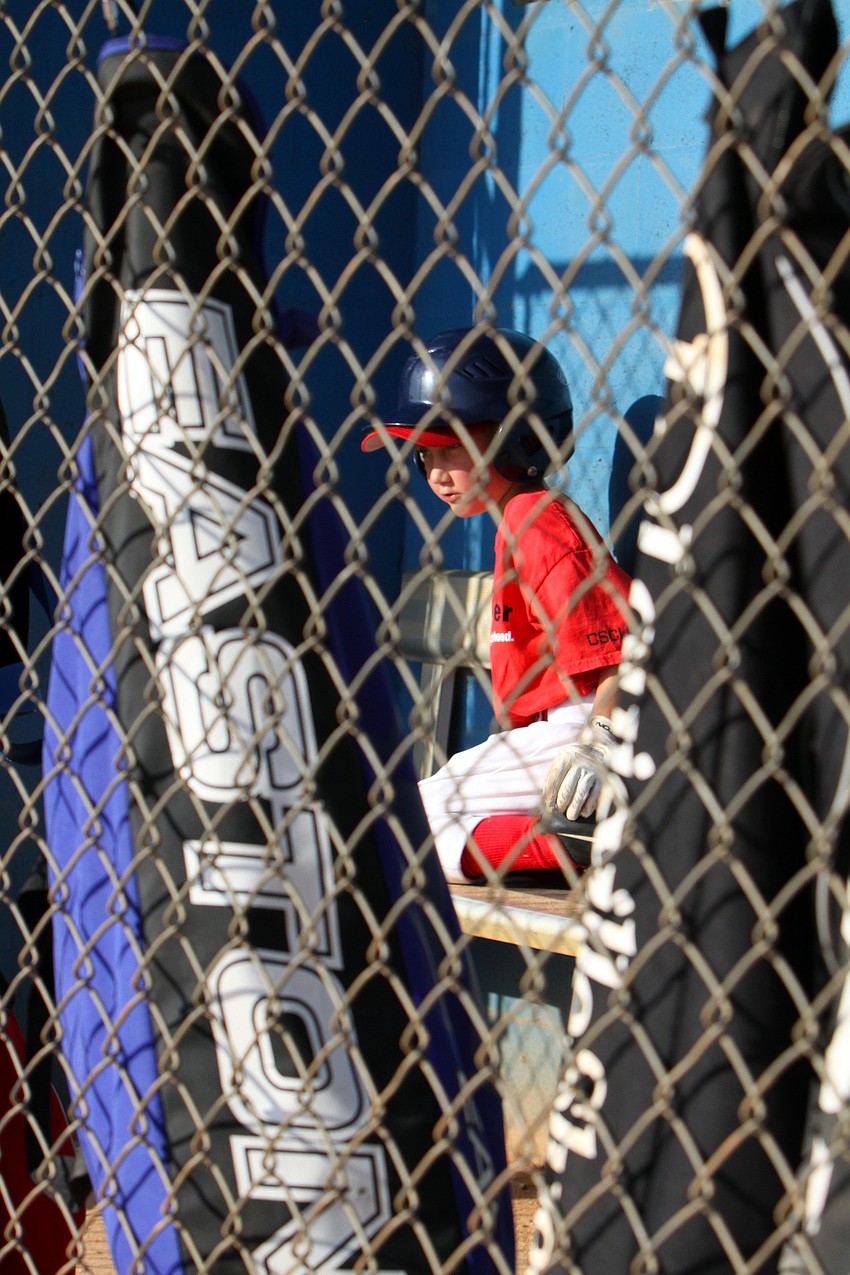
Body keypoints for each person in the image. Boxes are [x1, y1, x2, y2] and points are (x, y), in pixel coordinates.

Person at [362, 327, 632, 883]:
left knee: (398, 825)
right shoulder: (519, 518)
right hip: (556, 736)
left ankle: (578, 839)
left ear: (520, 434)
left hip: (586, 730)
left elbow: (628, 653)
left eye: (452, 445)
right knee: (408, 821)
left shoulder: (538, 521)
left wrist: (601, 745)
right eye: (424, 453)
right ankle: (566, 836)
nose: (436, 472)